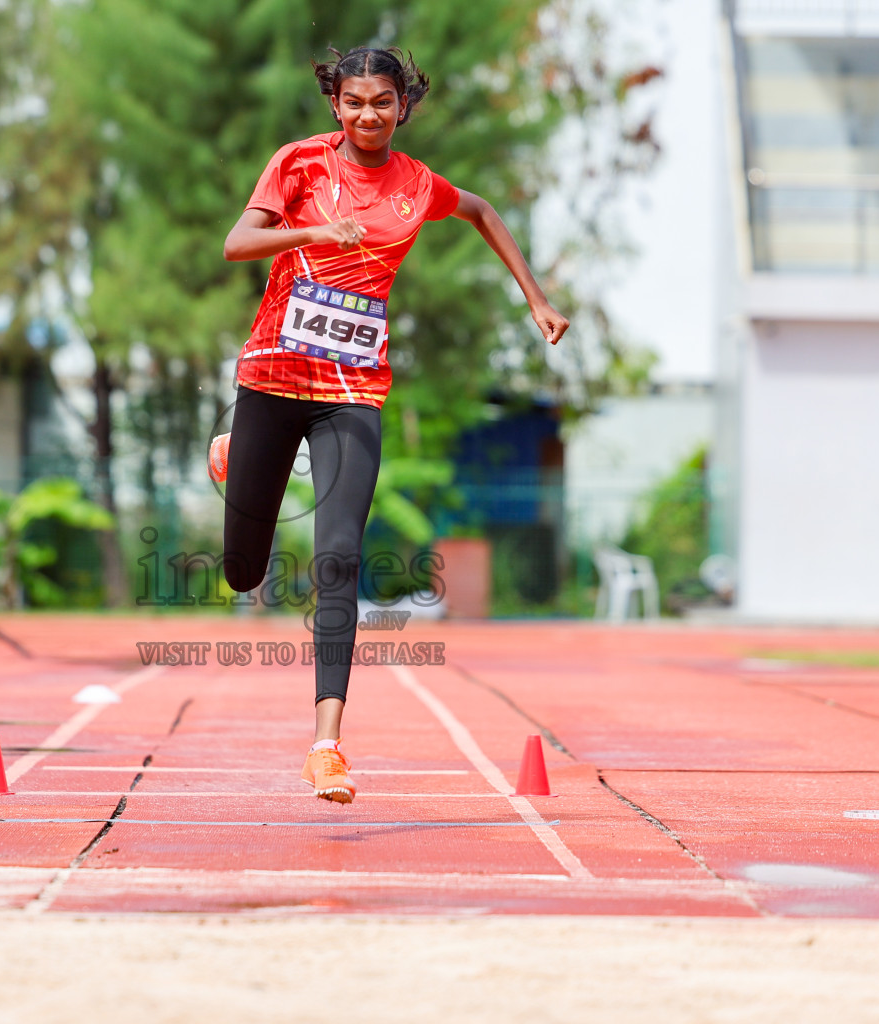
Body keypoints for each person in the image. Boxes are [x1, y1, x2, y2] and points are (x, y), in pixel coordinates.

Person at [215, 46, 568, 804]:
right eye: (353, 103)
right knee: (242, 570)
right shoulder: (299, 165)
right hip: (272, 379)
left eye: (382, 102)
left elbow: (479, 209)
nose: (368, 115)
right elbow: (237, 244)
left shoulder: (416, 184)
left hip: (354, 393)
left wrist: (534, 298)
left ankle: (327, 745)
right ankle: (235, 454)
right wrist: (311, 234)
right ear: (334, 106)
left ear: (403, 105)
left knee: (338, 555)